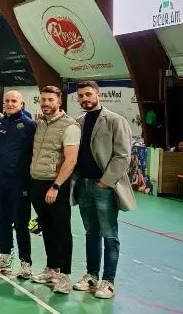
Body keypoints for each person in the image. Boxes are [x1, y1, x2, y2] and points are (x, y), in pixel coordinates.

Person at [72, 81, 136, 299]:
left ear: (98, 95)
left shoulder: (115, 120)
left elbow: (123, 155)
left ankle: (108, 281)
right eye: (81, 96)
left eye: (88, 94)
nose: (85, 99)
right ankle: (91, 275)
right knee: (91, 233)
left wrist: (105, 182)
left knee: (109, 234)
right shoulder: (79, 122)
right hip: (83, 185)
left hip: (104, 187)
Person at [28, 86, 80, 294]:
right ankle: (52, 269)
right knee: (47, 227)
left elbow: (71, 160)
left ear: (59, 101)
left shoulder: (70, 126)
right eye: (43, 99)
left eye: (50, 99)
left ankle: (65, 276)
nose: (46, 103)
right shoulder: (41, 123)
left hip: (55, 184)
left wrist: (56, 186)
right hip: (36, 182)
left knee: (61, 229)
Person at [0, 90, 36, 278]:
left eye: (14, 101)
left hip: (20, 182)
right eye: (7, 101)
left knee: (21, 223)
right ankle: (5, 255)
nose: (10, 104)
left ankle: (25, 262)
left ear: (21, 104)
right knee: (1, 219)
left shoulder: (29, 125)